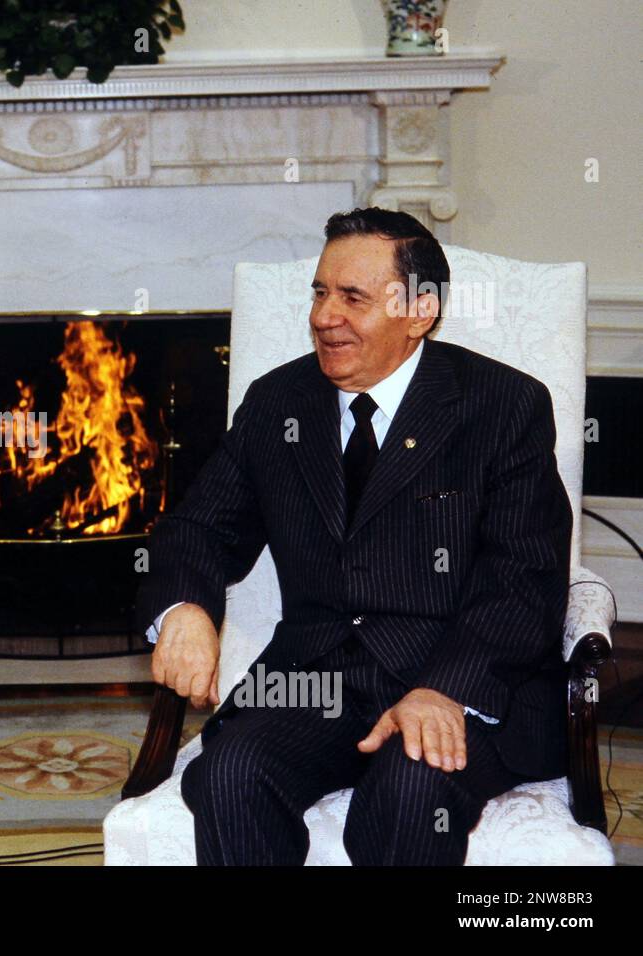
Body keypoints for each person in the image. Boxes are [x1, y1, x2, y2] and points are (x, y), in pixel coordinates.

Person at [139, 207, 572, 865]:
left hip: (447, 675)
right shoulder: (278, 403)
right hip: (314, 679)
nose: (322, 316)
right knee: (231, 772)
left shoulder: (502, 407)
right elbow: (199, 526)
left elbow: (525, 576)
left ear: (420, 310)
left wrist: (446, 688)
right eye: (319, 292)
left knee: (408, 791)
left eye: (352, 298)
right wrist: (187, 609)